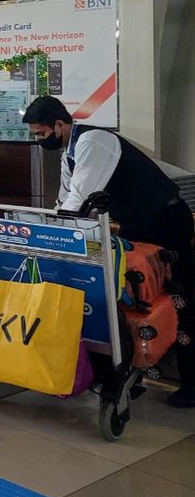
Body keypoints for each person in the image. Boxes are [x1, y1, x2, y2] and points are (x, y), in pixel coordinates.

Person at [23, 96, 195, 407]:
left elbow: (82, 200)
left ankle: (192, 381)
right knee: (132, 296)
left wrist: (59, 231)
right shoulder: (69, 152)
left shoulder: (93, 142)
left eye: (40, 133)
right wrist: (50, 227)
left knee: (179, 296)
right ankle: (133, 373)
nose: (39, 140)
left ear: (59, 125)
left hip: (166, 221)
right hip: (137, 224)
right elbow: (67, 199)